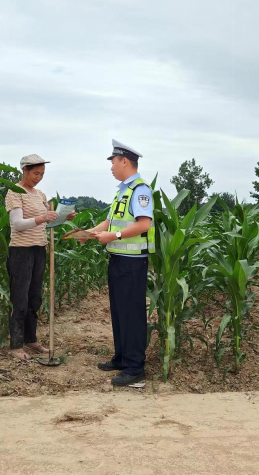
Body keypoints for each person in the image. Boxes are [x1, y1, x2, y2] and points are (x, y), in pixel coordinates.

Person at [84, 140, 155, 387]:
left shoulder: (140, 190)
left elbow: (144, 224)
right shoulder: (122, 191)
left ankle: (135, 369)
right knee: (119, 312)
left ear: (125, 161)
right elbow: (109, 222)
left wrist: (112, 237)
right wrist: (89, 233)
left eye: (113, 162)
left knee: (132, 315)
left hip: (132, 263)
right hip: (118, 260)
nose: (111, 166)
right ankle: (122, 358)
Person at [5, 154, 75, 362]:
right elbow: (17, 224)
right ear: (24, 170)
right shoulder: (14, 192)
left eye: (42, 174)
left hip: (38, 249)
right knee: (20, 298)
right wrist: (42, 217)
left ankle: (31, 339)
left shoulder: (41, 195)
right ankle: (16, 344)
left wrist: (62, 217)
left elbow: (47, 224)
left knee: (34, 297)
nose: (39, 177)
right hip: (21, 251)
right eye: (36, 173)